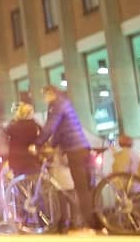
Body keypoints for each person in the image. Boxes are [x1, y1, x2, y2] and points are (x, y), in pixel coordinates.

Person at [32, 85, 96, 235]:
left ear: (51, 93)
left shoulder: (57, 105)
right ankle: (95, 222)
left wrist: (37, 144)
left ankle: (90, 224)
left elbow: (50, 127)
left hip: (74, 149)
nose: (44, 98)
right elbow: (59, 131)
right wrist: (51, 145)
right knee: (86, 188)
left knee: (81, 188)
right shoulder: (64, 103)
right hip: (81, 147)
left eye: (45, 95)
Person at [4, 96, 41, 179]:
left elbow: (6, 131)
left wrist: (15, 119)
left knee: (18, 181)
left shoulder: (14, 126)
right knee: (34, 179)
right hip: (32, 160)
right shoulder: (35, 126)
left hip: (16, 160)